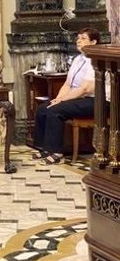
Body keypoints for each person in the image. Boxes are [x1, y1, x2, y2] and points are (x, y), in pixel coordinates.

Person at [33, 27, 100, 164]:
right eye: (78, 38)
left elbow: (86, 89)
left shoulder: (96, 60)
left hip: (94, 100)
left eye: (83, 38)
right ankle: (43, 149)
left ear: (94, 42)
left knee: (55, 110)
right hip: (77, 98)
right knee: (44, 108)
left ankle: (57, 153)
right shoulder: (78, 59)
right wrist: (58, 98)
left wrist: (63, 100)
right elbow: (68, 84)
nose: (78, 41)